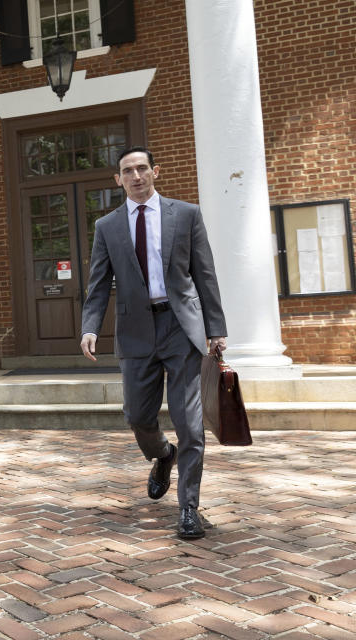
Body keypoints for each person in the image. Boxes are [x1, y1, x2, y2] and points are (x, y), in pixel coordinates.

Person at [80, 146, 227, 540]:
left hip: (182, 328)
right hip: (135, 333)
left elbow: (205, 273)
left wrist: (216, 328)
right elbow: (97, 285)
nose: (136, 176)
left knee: (190, 424)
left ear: (155, 171)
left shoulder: (187, 214)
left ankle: (188, 509)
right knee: (137, 416)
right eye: (128, 171)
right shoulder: (106, 227)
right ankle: (163, 455)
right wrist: (89, 326)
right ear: (118, 180)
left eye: (142, 168)